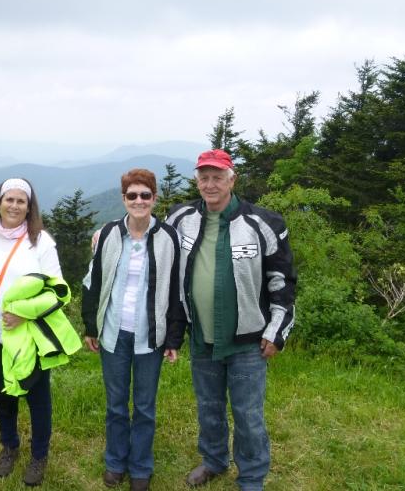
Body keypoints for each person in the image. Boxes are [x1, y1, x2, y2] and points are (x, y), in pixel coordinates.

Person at [166, 149, 296, 491]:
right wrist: (107, 232)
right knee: (209, 406)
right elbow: (150, 237)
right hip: (202, 337)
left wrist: (277, 331)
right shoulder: (180, 218)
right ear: (197, 180)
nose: (210, 184)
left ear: (232, 180)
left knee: (247, 414)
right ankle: (214, 460)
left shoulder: (264, 223)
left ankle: (251, 476)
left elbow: (282, 282)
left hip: (248, 342)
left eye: (217, 178)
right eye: (204, 178)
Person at [82, 169, 187, 491]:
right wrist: (91, 326)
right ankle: (115, 462)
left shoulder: (169, 238)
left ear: (154, 198)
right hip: (114, 333)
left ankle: (140, 466)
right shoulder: (108, 234)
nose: (139, 201)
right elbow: (92, 282)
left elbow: (176, 290)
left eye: (145, 195)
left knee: (144, 407)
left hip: (150, 336)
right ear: (123, 199)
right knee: (116, 405)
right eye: (132, 195)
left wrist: (174, 337)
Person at [0, 177, 75, 487]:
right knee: (2, 394)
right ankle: (9, 447)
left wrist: (23, 312)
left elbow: (58, 292)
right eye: (9, 199)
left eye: (21, 201)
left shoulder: (41, 242)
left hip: (31, 338)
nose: (14, 206)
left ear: (29, 207)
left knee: (37, 398)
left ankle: (39, 456)